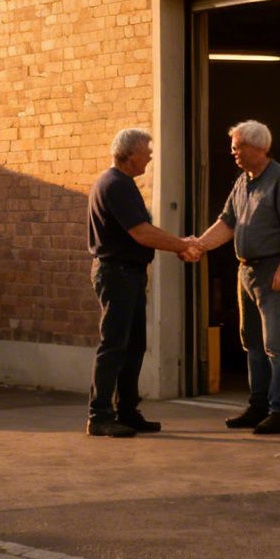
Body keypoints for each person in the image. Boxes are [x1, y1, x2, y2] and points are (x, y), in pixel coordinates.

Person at [182, 119, 280, 435]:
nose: (233, 152)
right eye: (233, 147)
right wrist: (198, 245)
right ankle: (258, 406)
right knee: (251, 341)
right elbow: (226, 223)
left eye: (238, 147)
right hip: (246, 271)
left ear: (258, 147)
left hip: (271, 270)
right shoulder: (242, 182)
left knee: (275, 344)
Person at [87, 128, 200, 438]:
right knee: (114, 345)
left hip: (129, 273)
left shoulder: (121, 184)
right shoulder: (116, 185)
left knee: (133, 345)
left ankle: (126, 411)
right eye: (147, 150)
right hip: (118, 273)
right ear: (131, 153)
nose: (150, 155)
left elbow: (144, 231)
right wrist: (180, 244)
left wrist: (176, 243)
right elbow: (141, 232)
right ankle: (100, 415)